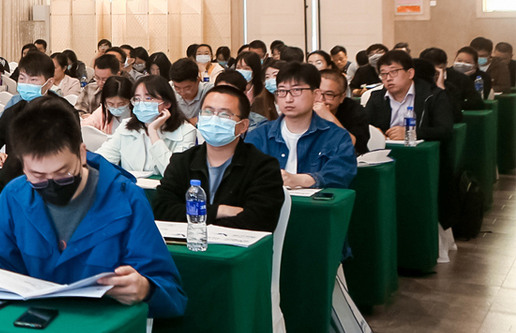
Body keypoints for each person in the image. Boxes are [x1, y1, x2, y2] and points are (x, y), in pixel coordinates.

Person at [0, 96, 185, 318]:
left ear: (82, 153)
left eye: (62, 173)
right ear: (22, 164)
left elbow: (173, 296)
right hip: (31, 329)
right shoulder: (14, 196)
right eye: (38, 176)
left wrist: (146, 289)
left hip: (101, 330)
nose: (51, 185)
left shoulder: (126, 200)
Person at [153, 83, 285, 233]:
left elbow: (259, 220)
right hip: (186, 243)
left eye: (224, 114)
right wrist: (218, 211)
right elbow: (161, 210)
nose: (214, 119)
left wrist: (197, 219)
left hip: (235, 246)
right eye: (208, 112)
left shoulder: (263, 167)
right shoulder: (182, 161)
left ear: (243, 126)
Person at [245, 61, 356, 187]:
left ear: (316, 95)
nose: (288, 99)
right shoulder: (259, 136)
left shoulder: (337, 137)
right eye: (282, 91)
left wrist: (300, 180)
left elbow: (341, 174)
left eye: (296, 90)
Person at [99, 74, 198, 182]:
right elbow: (102, 160)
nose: (142, 104)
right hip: (131, 190)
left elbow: (174, 173)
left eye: (149, 98)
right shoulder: (126, 127)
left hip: (164, 191)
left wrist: (153, 131)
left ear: (166, 103)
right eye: (137, 99)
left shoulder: (186, 131)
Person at [362, 47, 455, 146]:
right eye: (383, 74)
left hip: (420, 151)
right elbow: (363, 125)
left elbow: (444, 130)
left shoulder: (432, 95)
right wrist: (375, 132)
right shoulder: (377, 97)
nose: (388, 78)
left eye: (393, 72)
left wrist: (411, 133)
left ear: (410, 73)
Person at [317, 69, 372, 155]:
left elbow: (357, 146)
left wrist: (329, 117)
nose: (321, 99)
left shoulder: (355, 111)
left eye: (329, 94)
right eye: (317, 93)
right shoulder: (304, 108)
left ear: (342, 97)